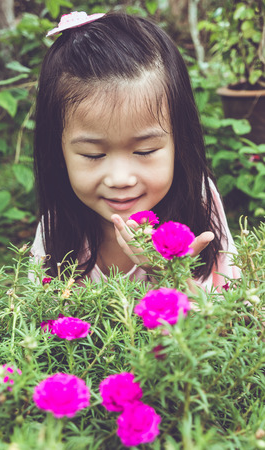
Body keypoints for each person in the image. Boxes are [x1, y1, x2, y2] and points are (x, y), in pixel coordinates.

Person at [31, 10, 239, 291]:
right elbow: (38, 318)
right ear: (58, 150)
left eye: (144, 150)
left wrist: (171, 274)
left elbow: (230, 320)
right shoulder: (57, 230)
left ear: (180, 141)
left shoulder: (199, 204)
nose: (120, 178)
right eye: (93, 155)